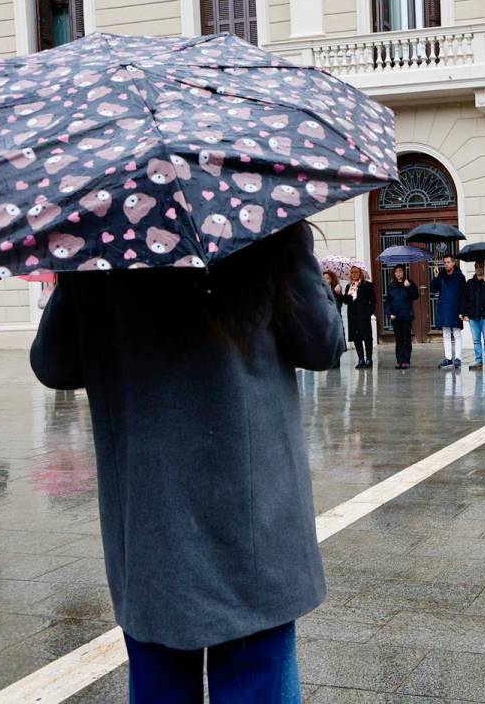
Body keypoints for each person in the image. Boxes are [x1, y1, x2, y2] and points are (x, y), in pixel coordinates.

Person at [29, 221, 343, 701]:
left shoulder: (100, 235)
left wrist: (76, 270)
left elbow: (54, 364)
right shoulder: (265, 222)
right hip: (255, 519)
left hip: (153, 527)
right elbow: (322, 344)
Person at [429, 254, 466, 370]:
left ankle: (458, 358)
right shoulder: (441, 275)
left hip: (455, 308)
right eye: (444, 262)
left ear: (454, 263)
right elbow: (433, 289)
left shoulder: (460, 276)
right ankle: (448, 358)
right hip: (444, 307)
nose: (446, 264)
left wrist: (462, 310)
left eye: (448, 262)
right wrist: (435, 276)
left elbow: (464, 296)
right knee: (445, 333)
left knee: (456, 333)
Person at [461, 260, 485, 371]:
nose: (479, 269)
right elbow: (465, 299)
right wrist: (464, 313)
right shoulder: (470, 282)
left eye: (481, 266)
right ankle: (478, 360)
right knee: (476, 340)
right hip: (473, 316)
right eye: (477, 267)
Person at [383, 264, 419, 369]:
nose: (398, 274)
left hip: (406, 316)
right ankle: (399, 360)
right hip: (395, 316)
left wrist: (409, 287)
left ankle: (406, 360)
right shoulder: (391, 285)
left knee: (406, 338)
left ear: (404, 272)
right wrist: (389, 314)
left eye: (400, 272)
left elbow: (415, 296)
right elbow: (388, 301)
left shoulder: (409, 283)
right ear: (394, 274)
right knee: (398, 339)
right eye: (396, 272)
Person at [343, 265, 377, 369]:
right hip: (353, 316)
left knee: (367, 338)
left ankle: (369, 359)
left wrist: (369, 313)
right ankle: (361, 359)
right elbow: (346, 301)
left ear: (360, 273)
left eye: (356, 272)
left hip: (364, 316)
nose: (354, 274)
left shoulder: (367, 285)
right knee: (356, 338)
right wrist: (339, 293)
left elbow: (373, 301)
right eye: (352, 272)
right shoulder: (349, 286)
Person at [322, 270, 345, 368]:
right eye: (324, 278)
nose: (325, 280)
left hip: (335, 317)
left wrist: (338, 293)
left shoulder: (336, 289)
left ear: (331, 280)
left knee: (336, 338)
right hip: (325, 318)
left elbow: (340, 304)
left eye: (327, 278)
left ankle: (336, 360)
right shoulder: (320, 290)